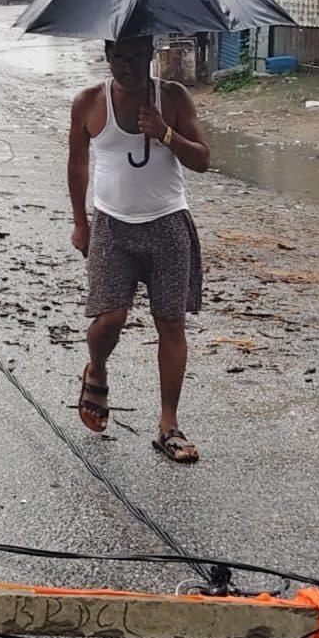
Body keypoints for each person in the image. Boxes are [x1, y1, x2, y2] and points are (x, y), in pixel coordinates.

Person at [68, 35, 211, 463]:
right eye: (119, 58)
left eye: (136, 57)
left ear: (150, 55)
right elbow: (78, 162)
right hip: (112, 227)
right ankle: (96, 368)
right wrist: (80, 222)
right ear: (107, 56)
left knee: (171, 324)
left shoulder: (173, 97)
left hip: (168, 224)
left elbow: (203, 160)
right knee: (109, 317)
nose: (127, 67)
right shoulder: (89, 102)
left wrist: (165, 133)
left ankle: (169, 425)